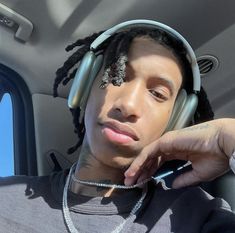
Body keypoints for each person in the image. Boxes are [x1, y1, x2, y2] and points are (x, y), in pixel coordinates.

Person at [0, 20, 235, 233]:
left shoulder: (200, 215)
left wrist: (230, 138)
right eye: (116, 77)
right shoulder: (5, 199)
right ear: (84, 87)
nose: (128, 105)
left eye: (157, 93)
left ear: (176, 121)